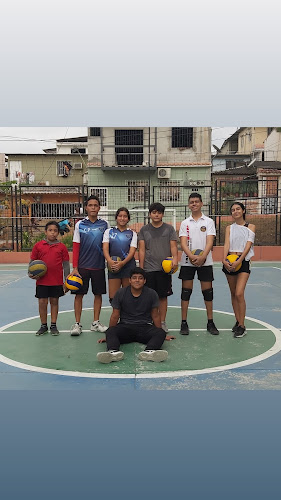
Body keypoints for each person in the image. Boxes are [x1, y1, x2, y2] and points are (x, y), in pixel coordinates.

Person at [97, 267, 168, 363]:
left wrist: (160, 332)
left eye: (140, 278)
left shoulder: (152, 294)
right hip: (125, 327)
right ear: (130, 280)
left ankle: (149, 352)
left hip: (144, 327)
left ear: (144, 281)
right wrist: (110, 336)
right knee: (110, 331)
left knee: (161, 333)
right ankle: (113, 352)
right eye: (134, 278)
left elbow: (155, 315)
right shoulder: (121, 293)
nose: (137, 280)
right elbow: (115, 315)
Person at [179, 192, 219, 336]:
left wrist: (202, 257)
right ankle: (184, 322)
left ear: (202, 203)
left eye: (196, 201)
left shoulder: (208, 222)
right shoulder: (185, 223)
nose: (194, 204)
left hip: (205, 261)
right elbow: (183, 243)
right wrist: (191, 256)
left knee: (208, 293)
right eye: (191, 202)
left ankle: (210, 322)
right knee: (186, 292)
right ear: (189, 205)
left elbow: (210, 241)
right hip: (187, 261)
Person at [70, 195, 109, 336]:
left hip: (98, 266)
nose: (93, 207)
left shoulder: (105, 225)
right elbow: (76, 246)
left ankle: (95, 323)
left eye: (95, 205)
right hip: (82, 267)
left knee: (98, 295)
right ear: (86, 208)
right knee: (79, 295)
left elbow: (107, 245)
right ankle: (77, 324)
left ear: (99, 208)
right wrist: (75, 267)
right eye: (90, 205)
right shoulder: (80, 224)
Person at [138, 202, 178, 334]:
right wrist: (141, 268)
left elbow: (173, 246)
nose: (156, 214)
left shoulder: (169, 229)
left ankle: (162, 322)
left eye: (159, 212)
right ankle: (150, 321)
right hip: (149, 269)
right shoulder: (144, 230)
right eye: (154, 212)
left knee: (162, 297)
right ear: (150, 214)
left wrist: (175, 259)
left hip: (164, 269)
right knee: (149, 297)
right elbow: (142, 250)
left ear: (162, 214)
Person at [29, 221, 70, 336]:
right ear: (45, 231)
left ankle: (53, 325)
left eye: (55, 231)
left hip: (56, 281)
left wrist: (66, 280)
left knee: (54, 301)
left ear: (58, 232)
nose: (52, 233)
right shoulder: (38, 246)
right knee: (42, 302)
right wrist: (30, 273)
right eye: (50, 230)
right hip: (42, 280)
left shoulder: (61, 247)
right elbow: (32, 262)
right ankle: (43, 325)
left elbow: (66, 264)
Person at [222, 201, 255, 338]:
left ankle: (242, 325)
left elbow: (248, 246)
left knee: (239, 293)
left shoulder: (250, 227)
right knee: (233, 293)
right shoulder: (229, 228)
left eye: (238, 209)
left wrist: (239, 260)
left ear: (243, 211)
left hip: (243, 262)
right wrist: (224, 259)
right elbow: (226, 244)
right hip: (230, 260)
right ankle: (238, 320)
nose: (235, 211)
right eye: (233, 210)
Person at [102, 207, 137, 302]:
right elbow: (105, 248)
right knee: (114, 298)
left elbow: (132, 251)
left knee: (128, 297)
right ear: (116, 218)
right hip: (113, 266)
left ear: (128, 219)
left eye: (125, 216)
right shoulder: (108, 232)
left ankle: (127, 317)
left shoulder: (132, 233)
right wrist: (110, 261)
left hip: (128, 266)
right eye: (120, 216)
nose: (122, 218)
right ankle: (116, 316)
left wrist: (122, 263)